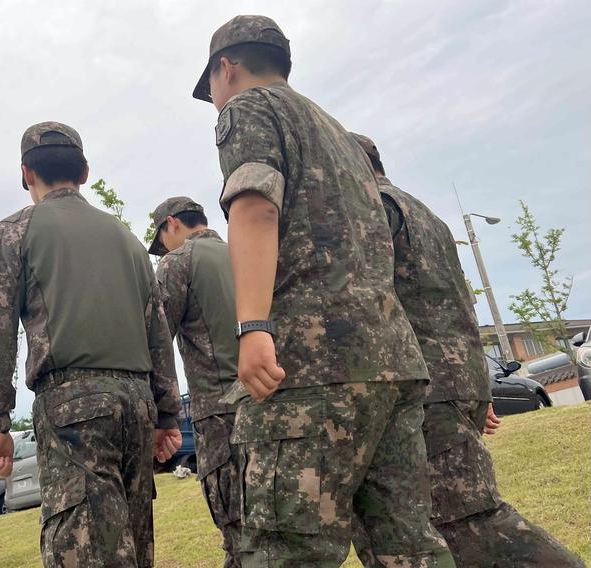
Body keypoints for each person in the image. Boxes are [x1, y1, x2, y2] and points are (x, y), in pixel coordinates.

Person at [194, 15, 454, 566]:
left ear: (226, 67)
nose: (214, 100)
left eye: (211, 87)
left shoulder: (249, 108)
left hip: (309, 369)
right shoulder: (337, 131)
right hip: (391, 363)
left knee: (284, 550)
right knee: (409, 549)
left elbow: (256, 207)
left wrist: (253, 327)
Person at [351, 133, 585, 568]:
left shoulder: (374, 210)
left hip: (423, 389)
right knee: (449, 518)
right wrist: (478, 388)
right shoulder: (426, 215)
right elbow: (459, 305)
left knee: (466, 519)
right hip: (453, 381)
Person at [0, 121, 183, 567]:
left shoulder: (15, 232)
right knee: (134, 540)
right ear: (84, 171)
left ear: (27, 173)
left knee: (84, 547)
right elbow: (158, 334)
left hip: (74, 405)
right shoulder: (127, 239)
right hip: (139, 404)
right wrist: (167, 415)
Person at [148, 196, 241, 567]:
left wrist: (162, 416)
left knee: (238, 532)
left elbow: (156, 342)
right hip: (271, 403)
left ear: (172, 223)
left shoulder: (177, 263)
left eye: (161, 242)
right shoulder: (242, 251)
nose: (161, 253)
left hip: (220, 414)